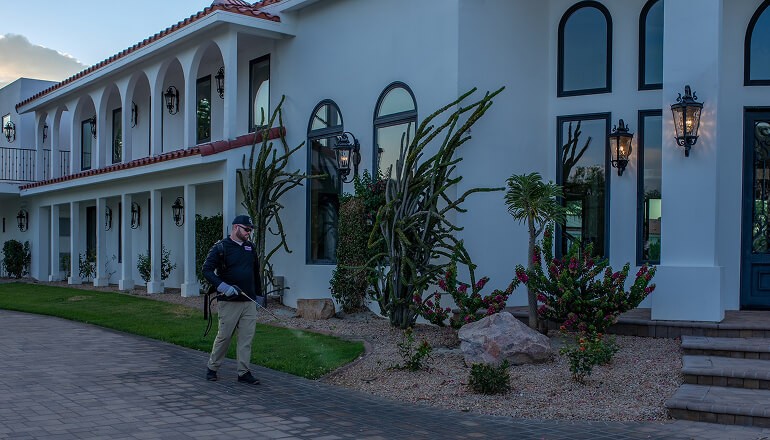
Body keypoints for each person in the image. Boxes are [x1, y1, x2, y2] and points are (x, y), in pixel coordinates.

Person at [202, 214, 262, 384]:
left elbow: (255, 273)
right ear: (236, 227)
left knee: (246, 339)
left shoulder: (250, 248)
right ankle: (212, 368)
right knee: (224, 337)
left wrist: (259, 295)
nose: (249, 233)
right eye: (246, 229)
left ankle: (243, 373)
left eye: (250, 230)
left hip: (249, 301)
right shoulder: (221, 247)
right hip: (229, 302)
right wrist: (224, 287)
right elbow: (206, 270)